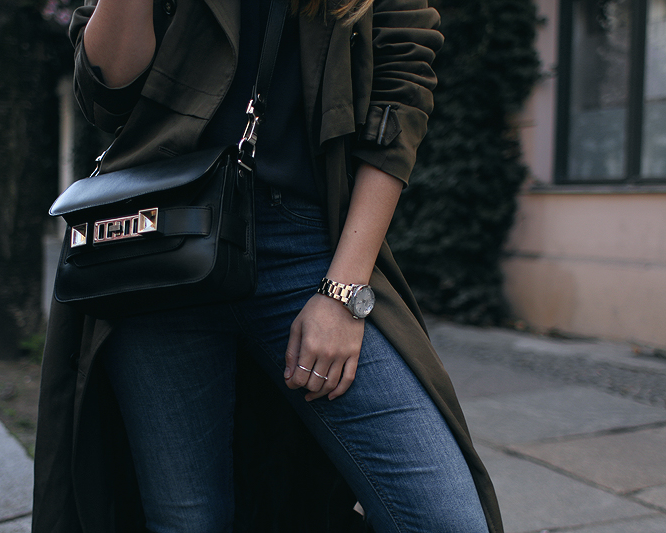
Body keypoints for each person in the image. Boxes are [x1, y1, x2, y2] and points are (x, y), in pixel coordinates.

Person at [33, 1, 504, 532]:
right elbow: (106, 93)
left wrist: (345, 292)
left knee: (444, 517)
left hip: (308, 247)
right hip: (161, 247)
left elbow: (400, 99)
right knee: (186, 522)